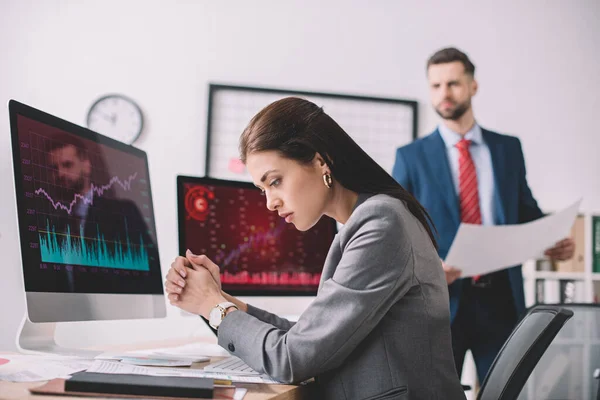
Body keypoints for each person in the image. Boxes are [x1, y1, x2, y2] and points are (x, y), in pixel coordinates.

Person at [165, 97, 466, 400]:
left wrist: (212, 305)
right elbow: (306, 339)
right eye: (263, 189)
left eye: (276, 181)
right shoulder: (365, 223)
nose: (270, 202)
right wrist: (218, 299)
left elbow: (292, 358)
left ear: (321, 161)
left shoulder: (381, 224)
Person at [392, 47, 575, 384]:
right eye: (436, 86)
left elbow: (525, 212)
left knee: (505, 389)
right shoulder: (411, 157)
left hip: (501, 299)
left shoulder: (507, 149)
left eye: (453, 84)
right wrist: (428, 267)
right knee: (437, 392)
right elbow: (396, 229)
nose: (444, 94)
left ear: (473, 85)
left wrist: (551, 240)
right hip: (440, 300)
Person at [43, 134, 155, 292]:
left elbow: (151, 276)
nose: (60, 174)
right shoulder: (55, 228)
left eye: (67, 165)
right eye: (54, 168)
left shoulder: (123, 213)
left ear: (86, 165)